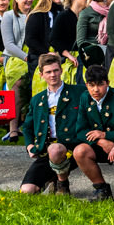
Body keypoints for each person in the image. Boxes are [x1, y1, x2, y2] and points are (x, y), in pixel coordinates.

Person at [19, 56, 91, 196]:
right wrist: (29, 146)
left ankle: (62, 184)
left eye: (56, 70)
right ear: (41, 74)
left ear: (61, 70)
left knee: (56, 149)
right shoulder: (37, 99)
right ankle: (52, 177)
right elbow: (27, 126)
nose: (53, 75)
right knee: (27, 191)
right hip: (46, 149)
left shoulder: (79, 92)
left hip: (73, 147)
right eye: (48, 72)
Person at [71, 65, 114, 202]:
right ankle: (102, 189)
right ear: (86, 85)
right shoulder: (85, 97)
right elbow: (80, 130)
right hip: (100, 147)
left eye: (100, 84)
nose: (96, 89)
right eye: (91, 85)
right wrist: (101, 141)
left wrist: (106, 135)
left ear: (107, 83)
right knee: (80, 151)